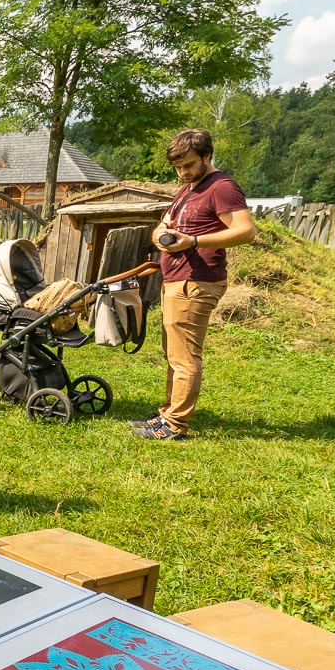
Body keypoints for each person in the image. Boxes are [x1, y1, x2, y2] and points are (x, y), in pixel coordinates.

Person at [134, 128, 256, 441]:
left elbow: (245, 231)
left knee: (185, 356)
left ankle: (175, 425)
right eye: (177, 167)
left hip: (197, 281)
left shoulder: (222, 187)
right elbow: (163, 224)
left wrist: (194, 241)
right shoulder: (189, 188)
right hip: (176, 279)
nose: (182, 172)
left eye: (188, 165)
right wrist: (161, 236)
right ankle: (167, 414)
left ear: (206, 156)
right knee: (173, 353)